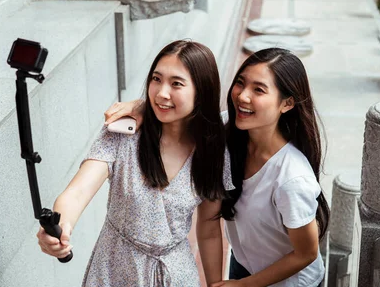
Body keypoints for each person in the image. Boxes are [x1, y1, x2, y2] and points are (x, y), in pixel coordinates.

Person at [105, 48, 329, 287]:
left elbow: (306, 254)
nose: (243, 96)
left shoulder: (292, 179)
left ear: (287, 103)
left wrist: (245, 285)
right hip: (243, 263)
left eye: (259, 90)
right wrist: (141, 107)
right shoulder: (225, 130)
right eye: (241, 83)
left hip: (289, 281)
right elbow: (179, 115)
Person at [37, 40, 234, 287]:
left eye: (176, 84)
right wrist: (62, 226)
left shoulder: (214, 149)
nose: (162, 93)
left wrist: (216, 284)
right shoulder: (124, 133)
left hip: (176, 274)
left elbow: (208, 228)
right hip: (115, 269)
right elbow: (77, 192)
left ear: (202, 91)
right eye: (156, 79)